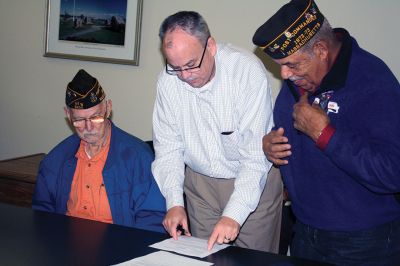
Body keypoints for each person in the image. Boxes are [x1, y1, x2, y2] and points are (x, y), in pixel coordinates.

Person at [252, 0, 400, 264]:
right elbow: (287, 134)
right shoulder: (300, 79)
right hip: (305, 233)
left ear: (320, 49)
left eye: (292, 65)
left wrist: (325, 135)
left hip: (364, 242)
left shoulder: (373, 81)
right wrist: (270, 146)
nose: (284, 75)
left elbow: (392, 172)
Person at [152, 11, 283, 252]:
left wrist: (234, 214)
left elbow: (255, 157)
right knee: (205, 257)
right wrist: (174, 203)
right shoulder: (168, 82)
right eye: (175, 67)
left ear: (210, 46)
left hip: (252, 182)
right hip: (200, 187)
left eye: (191, 65)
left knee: (251, 260)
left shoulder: (246, 72)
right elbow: (168, 149)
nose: (185, 76)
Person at [32, 69, 166, 233]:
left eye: (96, 117)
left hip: (120, 245)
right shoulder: (55, 160)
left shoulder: (138, 157)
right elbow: (42, 216)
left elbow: (152, 218)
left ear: (108, 108)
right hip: (66, 245)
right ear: (68, 115)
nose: (89, 128)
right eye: (79, 120)